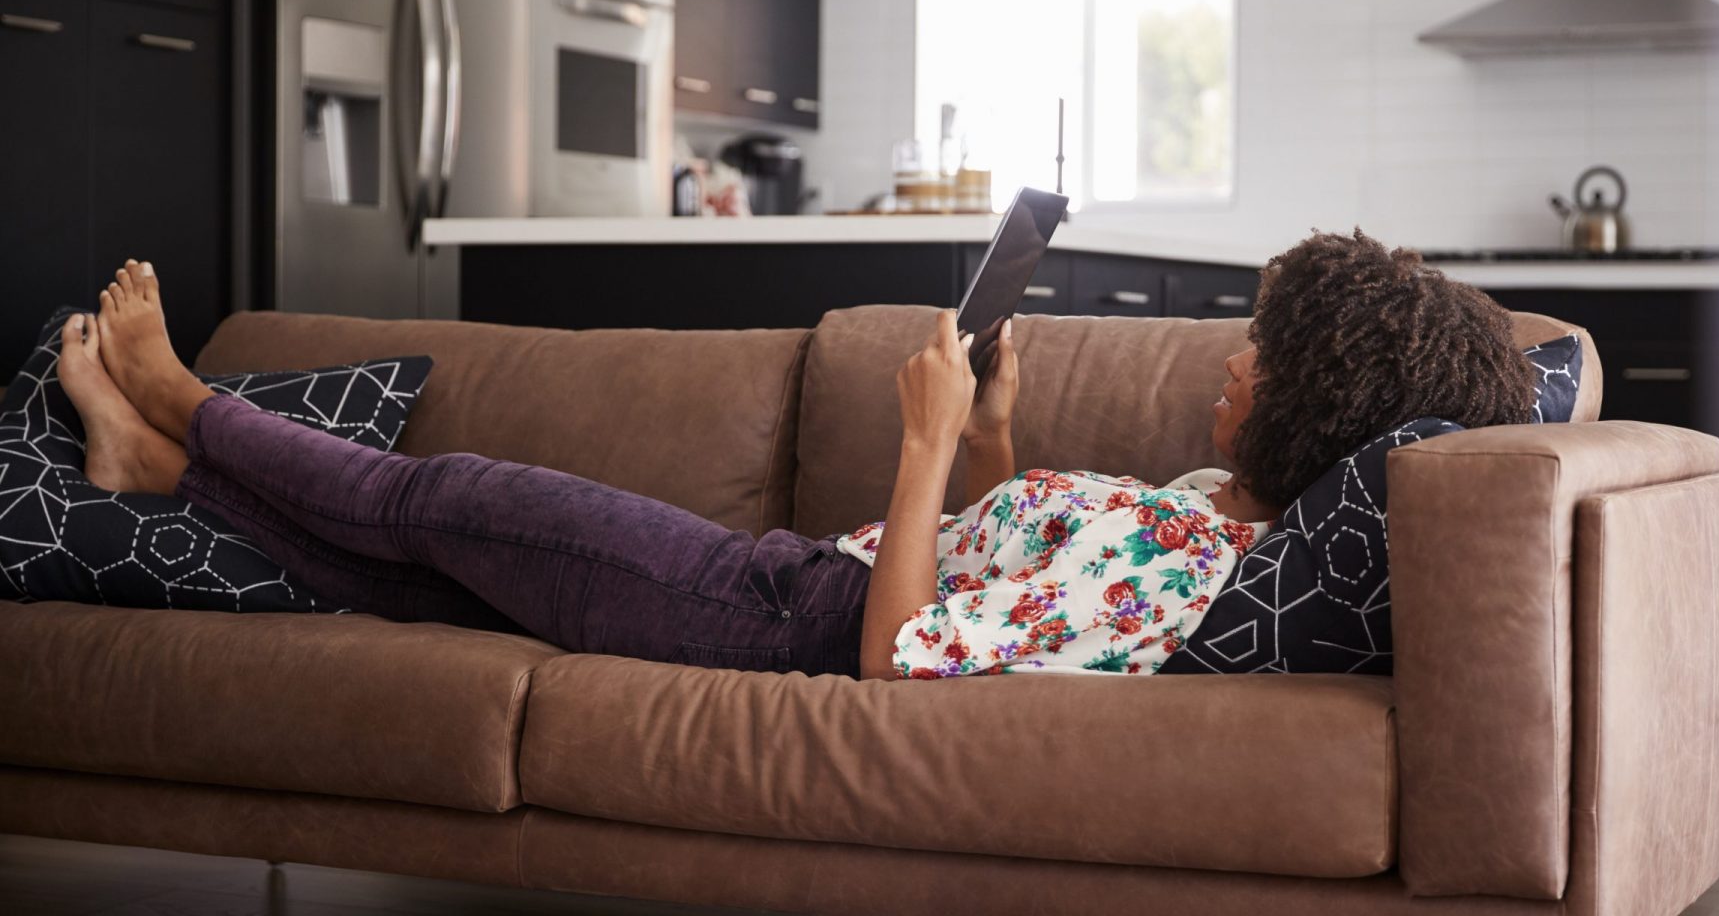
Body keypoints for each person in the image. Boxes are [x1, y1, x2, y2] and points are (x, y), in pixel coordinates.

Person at [57, 230, 1535, 681]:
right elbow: (998, 574)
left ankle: (187, 398)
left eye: (1267, 351)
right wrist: (998, 442)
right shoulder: (1210, 508)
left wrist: (921, 447)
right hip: (778, 590)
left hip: (782, 618)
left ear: (1318, 403)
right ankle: (158, 472)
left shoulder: (1194, 579)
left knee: (442, 498)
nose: (1233, 357)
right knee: (414, 585)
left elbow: (902, 662)